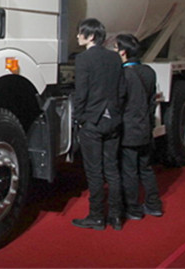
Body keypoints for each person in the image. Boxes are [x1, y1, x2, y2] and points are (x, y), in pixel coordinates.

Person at [71, 18, 127, 231]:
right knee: (112, 169)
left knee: (94, 172)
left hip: (92, 121)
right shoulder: (114, 58)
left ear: (91, 36)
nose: (77, 36)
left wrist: (79, 117)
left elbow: (81, 92)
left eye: (80, 32)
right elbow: (122, 89)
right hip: (113, 119)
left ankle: (96, 217)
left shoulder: (83, 59)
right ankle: (116, 217)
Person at [115, 33, 163, 220]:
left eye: (115, 48)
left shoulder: (124, 75)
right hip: (145, 127)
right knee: (146, 168)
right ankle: (154, 204)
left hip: (129, 130)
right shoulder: (149, 72)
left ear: (123, 52)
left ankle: (133, 209)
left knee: (129, 171)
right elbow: (151, 100)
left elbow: (120, 103)